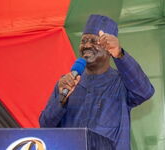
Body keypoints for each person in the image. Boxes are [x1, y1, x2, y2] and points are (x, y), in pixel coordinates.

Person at [39, 14, 155, 150]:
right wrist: (61, 100)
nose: (86, 45)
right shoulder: (68, 83)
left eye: (94, 41)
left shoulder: (121, 83)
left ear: (108, 49)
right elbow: (45, 125)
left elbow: (145, 91)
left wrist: (119, 54)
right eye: (83, 41)